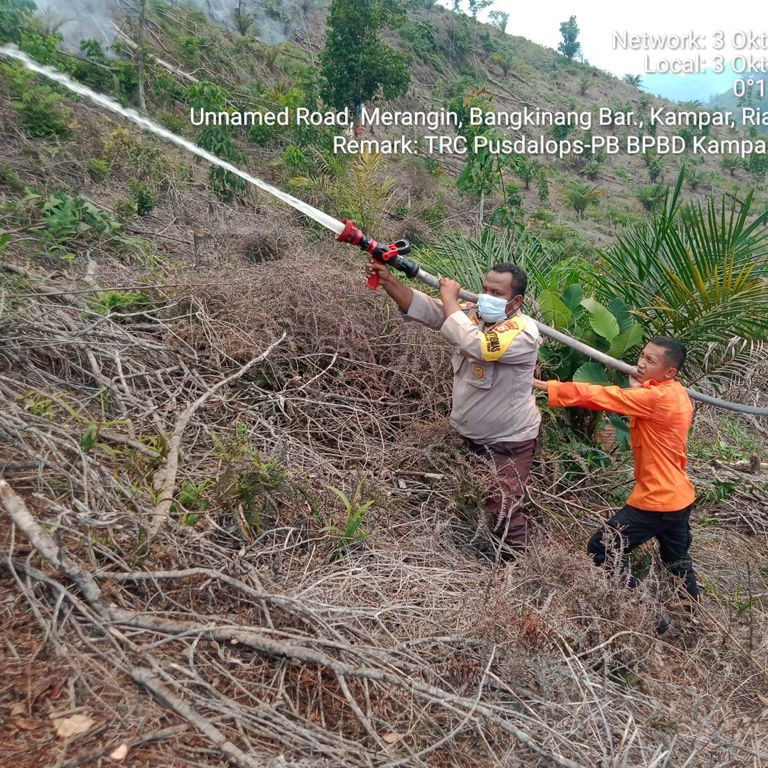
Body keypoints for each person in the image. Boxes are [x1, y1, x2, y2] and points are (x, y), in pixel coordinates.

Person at [366, 259, 541, 557]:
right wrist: (388, 280)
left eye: (496, 293)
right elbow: (427, 309)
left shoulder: (521, 331)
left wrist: (450, 300)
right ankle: (485, 548)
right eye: (484, 288)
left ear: (517, 300)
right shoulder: (474, 316)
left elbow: (481, 347)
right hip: (474, 436)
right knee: (483, 495)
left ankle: (520, 568)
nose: (486, 296)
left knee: (503, 506)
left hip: (508, 440)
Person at [532, 337, 699, 620]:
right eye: (642, 356)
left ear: (670, 372)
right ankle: (691, 616)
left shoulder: (655, 398)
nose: (641, 363)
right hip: (680, 498)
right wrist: (643, 386)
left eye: (650, 361)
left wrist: (544, 386)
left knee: (602, 549)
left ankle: (650, 614)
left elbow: (602, 397)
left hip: (656, 501)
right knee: (677, 559)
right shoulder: (675, 394)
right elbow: (647, 407)